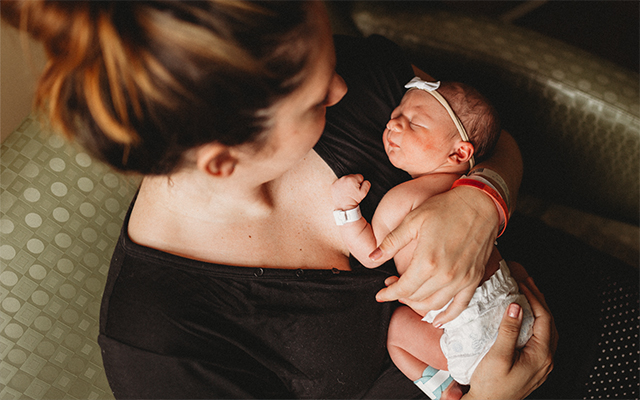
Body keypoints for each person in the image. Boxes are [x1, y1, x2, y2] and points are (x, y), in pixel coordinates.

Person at [0, 1, 556, 398]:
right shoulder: (165, 347)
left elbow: (494, 141)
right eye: (317, 99)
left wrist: (483, 201)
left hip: (569, 291)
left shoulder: (350, 78)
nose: (342, 89)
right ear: (223, 156)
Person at [331, 77, 535, 399]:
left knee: (397, 331)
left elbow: (373, 254)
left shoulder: (402, 201)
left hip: (469, 336)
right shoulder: (466, 187)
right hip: (518, 312)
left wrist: (345, 209)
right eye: (397, 112)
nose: (393, 122)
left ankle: (443, 390)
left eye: (414, 122)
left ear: (458, 153)